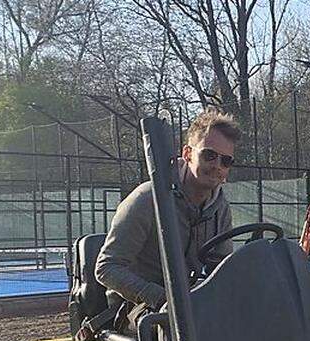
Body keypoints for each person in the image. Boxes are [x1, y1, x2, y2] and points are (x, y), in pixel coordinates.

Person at [95, 109, 240, 313]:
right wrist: (161, 298)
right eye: (209, 155)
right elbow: (107, 268)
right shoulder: (147, 199)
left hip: (188, 305)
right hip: (136, 307)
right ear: (188, 154)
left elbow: (221, 269)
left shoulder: (220, 209)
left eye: (226, 161)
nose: (217, 166)